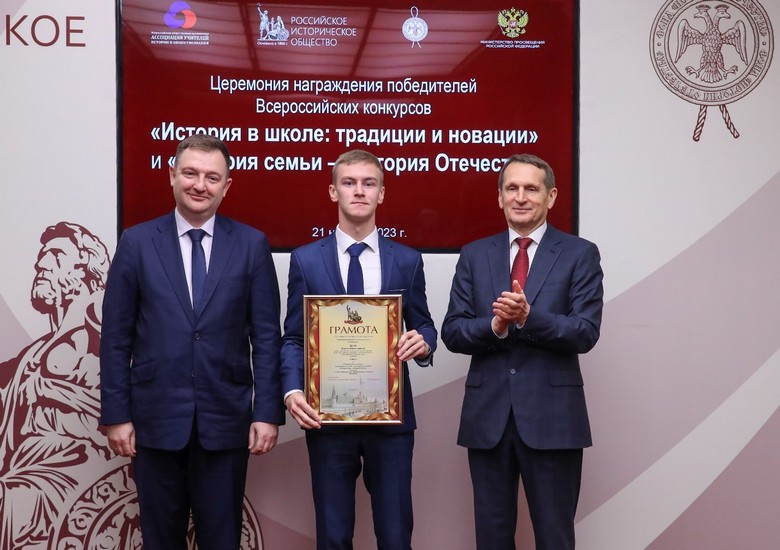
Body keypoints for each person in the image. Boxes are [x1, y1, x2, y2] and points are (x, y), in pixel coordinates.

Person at [99, 134, 284, 550]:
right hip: (154, 421)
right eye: (191, 173)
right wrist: (117, 414)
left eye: (212, 177)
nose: (200, 185)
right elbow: (115, 338)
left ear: (226, 186)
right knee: (161, 541)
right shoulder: (137, 242)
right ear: (172, 175)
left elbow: (266, 337)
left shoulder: (251, 244)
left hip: (227, 421)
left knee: (222, 540)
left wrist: (267, 412)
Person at [441, 154, 603, 550]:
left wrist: (529, 318)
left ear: (551, 196)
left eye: (531, 188)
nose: (520, 197)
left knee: (554, 537)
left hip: (554, 421)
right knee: (492, 539)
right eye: (511, 188)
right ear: (499, 197)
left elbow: (585, 332)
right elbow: (453, 332)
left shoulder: (580, 253)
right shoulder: (474, 254)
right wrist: (495, 327)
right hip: (488, 419)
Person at [281, 149, 437, 550]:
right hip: (327, 419)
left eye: (369, 183)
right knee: (333, 536)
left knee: (395, 536)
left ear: (381, 193)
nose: (359, 191)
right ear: (333, 191)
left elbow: (424, 324)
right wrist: (292, 390)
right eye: (349, 183)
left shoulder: (407, 260)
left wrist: (423, 343)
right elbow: (294, 337)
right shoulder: (305, 260)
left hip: (390, 421)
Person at [0, 222, 110, 549]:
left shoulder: (102, 331)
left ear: (86, 270)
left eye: (57, 254)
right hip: (24, 470)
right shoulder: (33, 354)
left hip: (73, 476)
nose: (42, 263)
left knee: (15, 498)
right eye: (42, 256)